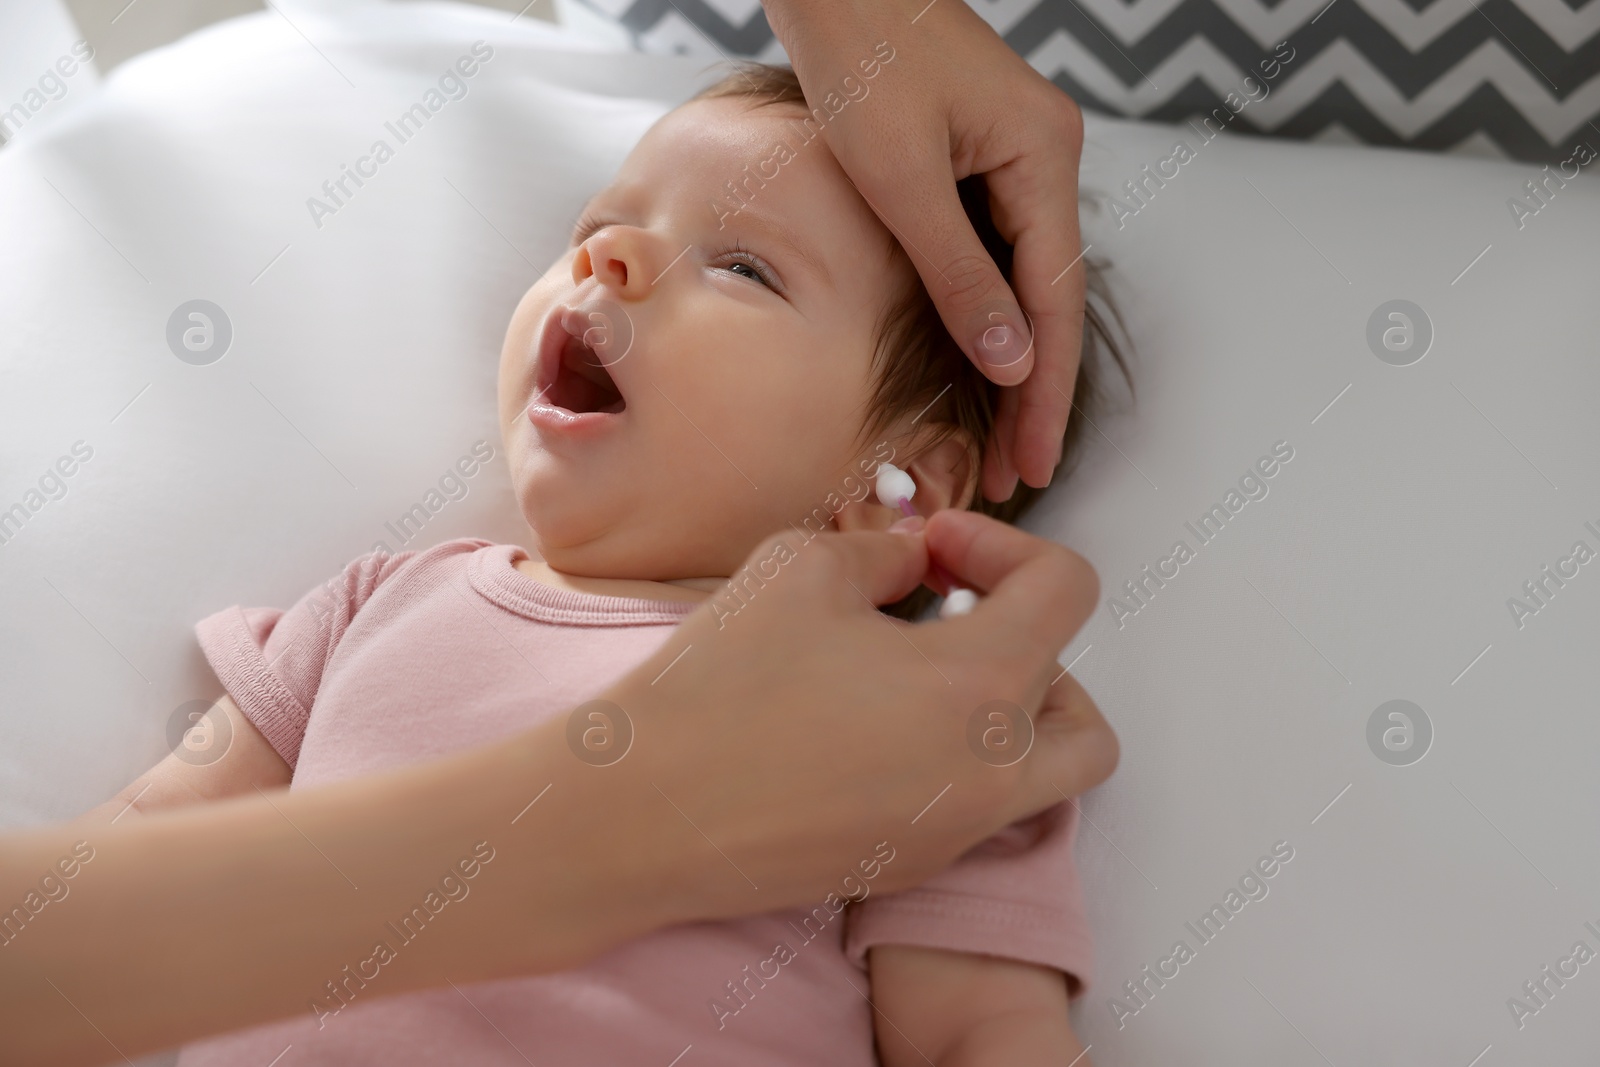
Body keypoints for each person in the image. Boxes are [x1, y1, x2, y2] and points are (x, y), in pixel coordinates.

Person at [0, 4, 1101, 1063]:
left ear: (896, 484)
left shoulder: (916, 717)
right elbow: (128, 859)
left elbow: (977, 1036)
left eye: (741, 266)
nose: (606, 259)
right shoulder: (372, 603)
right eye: (595, 228)